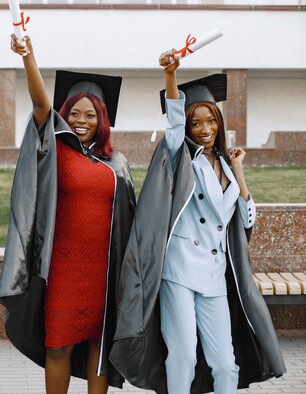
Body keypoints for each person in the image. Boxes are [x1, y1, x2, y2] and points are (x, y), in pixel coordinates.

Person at [109, 50, 286, 393]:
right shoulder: (181, 157)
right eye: (196, 122)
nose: (205, 129)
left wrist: (239, 172)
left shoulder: (225, 163)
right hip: (179, 272)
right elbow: (173, 124)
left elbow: (246, 219)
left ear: (219, 123)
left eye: (211, 121)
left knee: (224, 362)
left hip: (215, 275)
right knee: (184, 356)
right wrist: (171, 75)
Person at [0, 35, 136, 394]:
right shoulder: (56, 148)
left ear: (101, 119)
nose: (80, 120)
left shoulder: (116, 163)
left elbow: (129, 220)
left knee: (97, 345)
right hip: (62, 267)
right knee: (58, 344)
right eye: (73, 113)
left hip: (103, 270)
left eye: (90, 114)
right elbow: (40, 103)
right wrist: (29, 57)